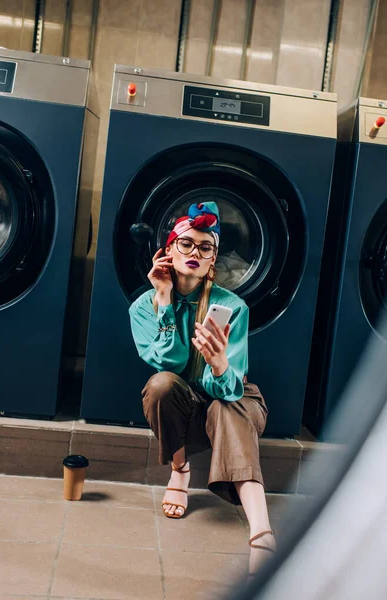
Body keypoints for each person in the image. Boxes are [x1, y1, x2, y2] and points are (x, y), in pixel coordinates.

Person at [129, 201, 276, 578]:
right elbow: (169, 364)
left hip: (233, 398)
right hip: (185, 400)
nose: (195, 253)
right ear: (167, 251)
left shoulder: (232, 307)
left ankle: (262, 532)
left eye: (205, 247)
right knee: (160, 385)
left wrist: (219, 363)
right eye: (186, 244)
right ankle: (180, 470)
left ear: (213, 259)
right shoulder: (143, 308)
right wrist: (164, 300)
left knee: (228, 407)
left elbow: (229, 388)